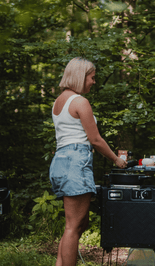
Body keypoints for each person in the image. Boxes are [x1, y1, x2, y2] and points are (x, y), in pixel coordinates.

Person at [49, 57, 127, 266]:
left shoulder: (59, 102)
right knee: (74, 226)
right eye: (92, 78)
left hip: (60, 161)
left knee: (79, 223)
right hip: (76, 162)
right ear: (80, 77)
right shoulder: (80, 102)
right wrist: (116, 160)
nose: (93, 82)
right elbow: (95, 140)